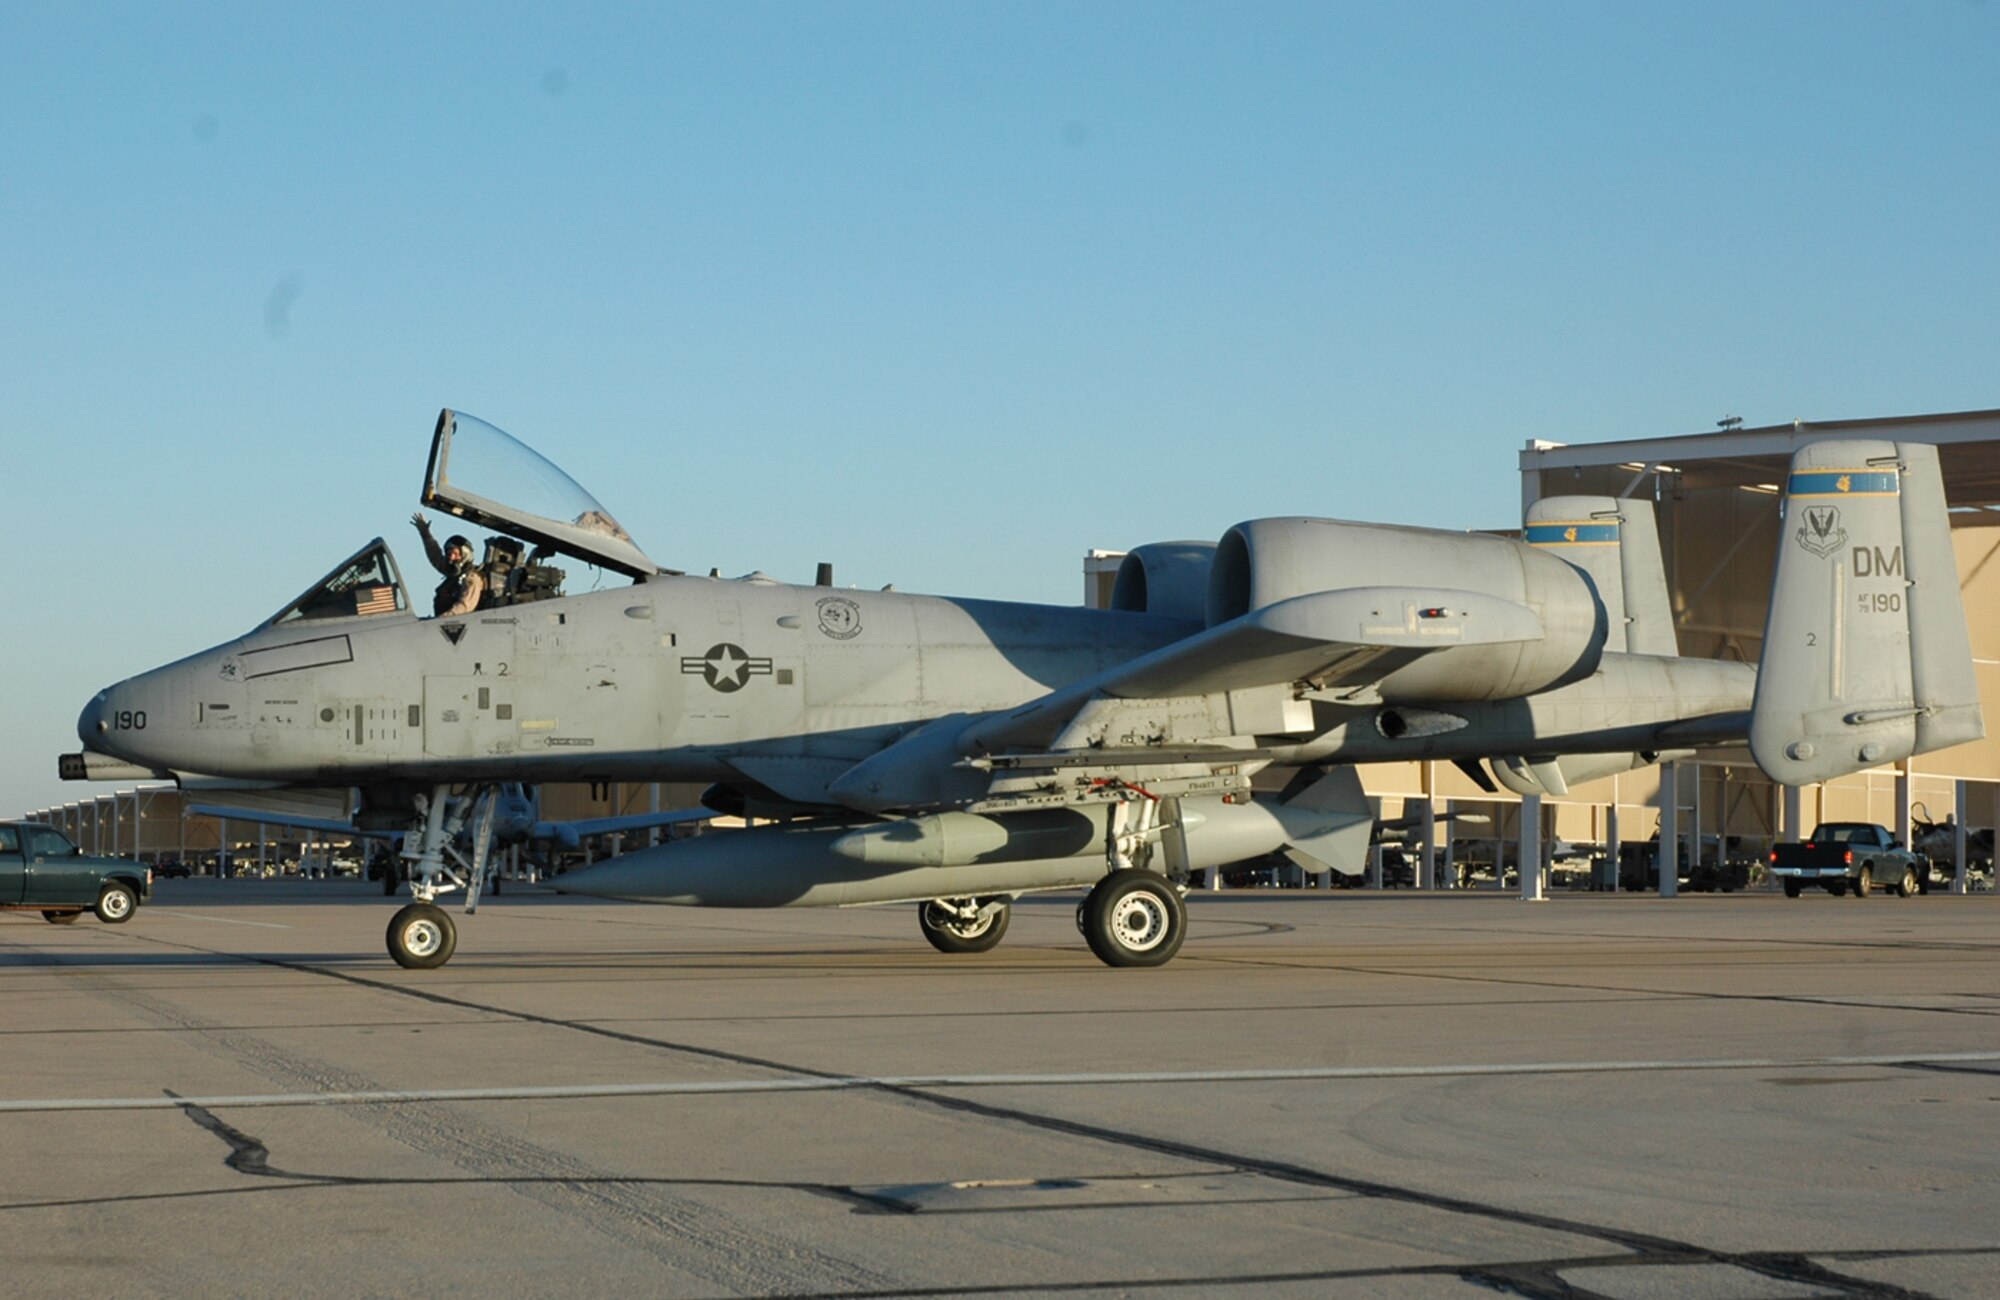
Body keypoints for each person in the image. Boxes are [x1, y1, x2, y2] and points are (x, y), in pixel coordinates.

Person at [411, 513, 485, 616]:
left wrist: (445, 618)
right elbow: (435, 555)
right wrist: (425, 533)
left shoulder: (472, 578)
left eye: (455, 554)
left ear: (465, 554)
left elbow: (465, 606)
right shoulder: (453, 574)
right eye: (449, 554)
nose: (451, 558)